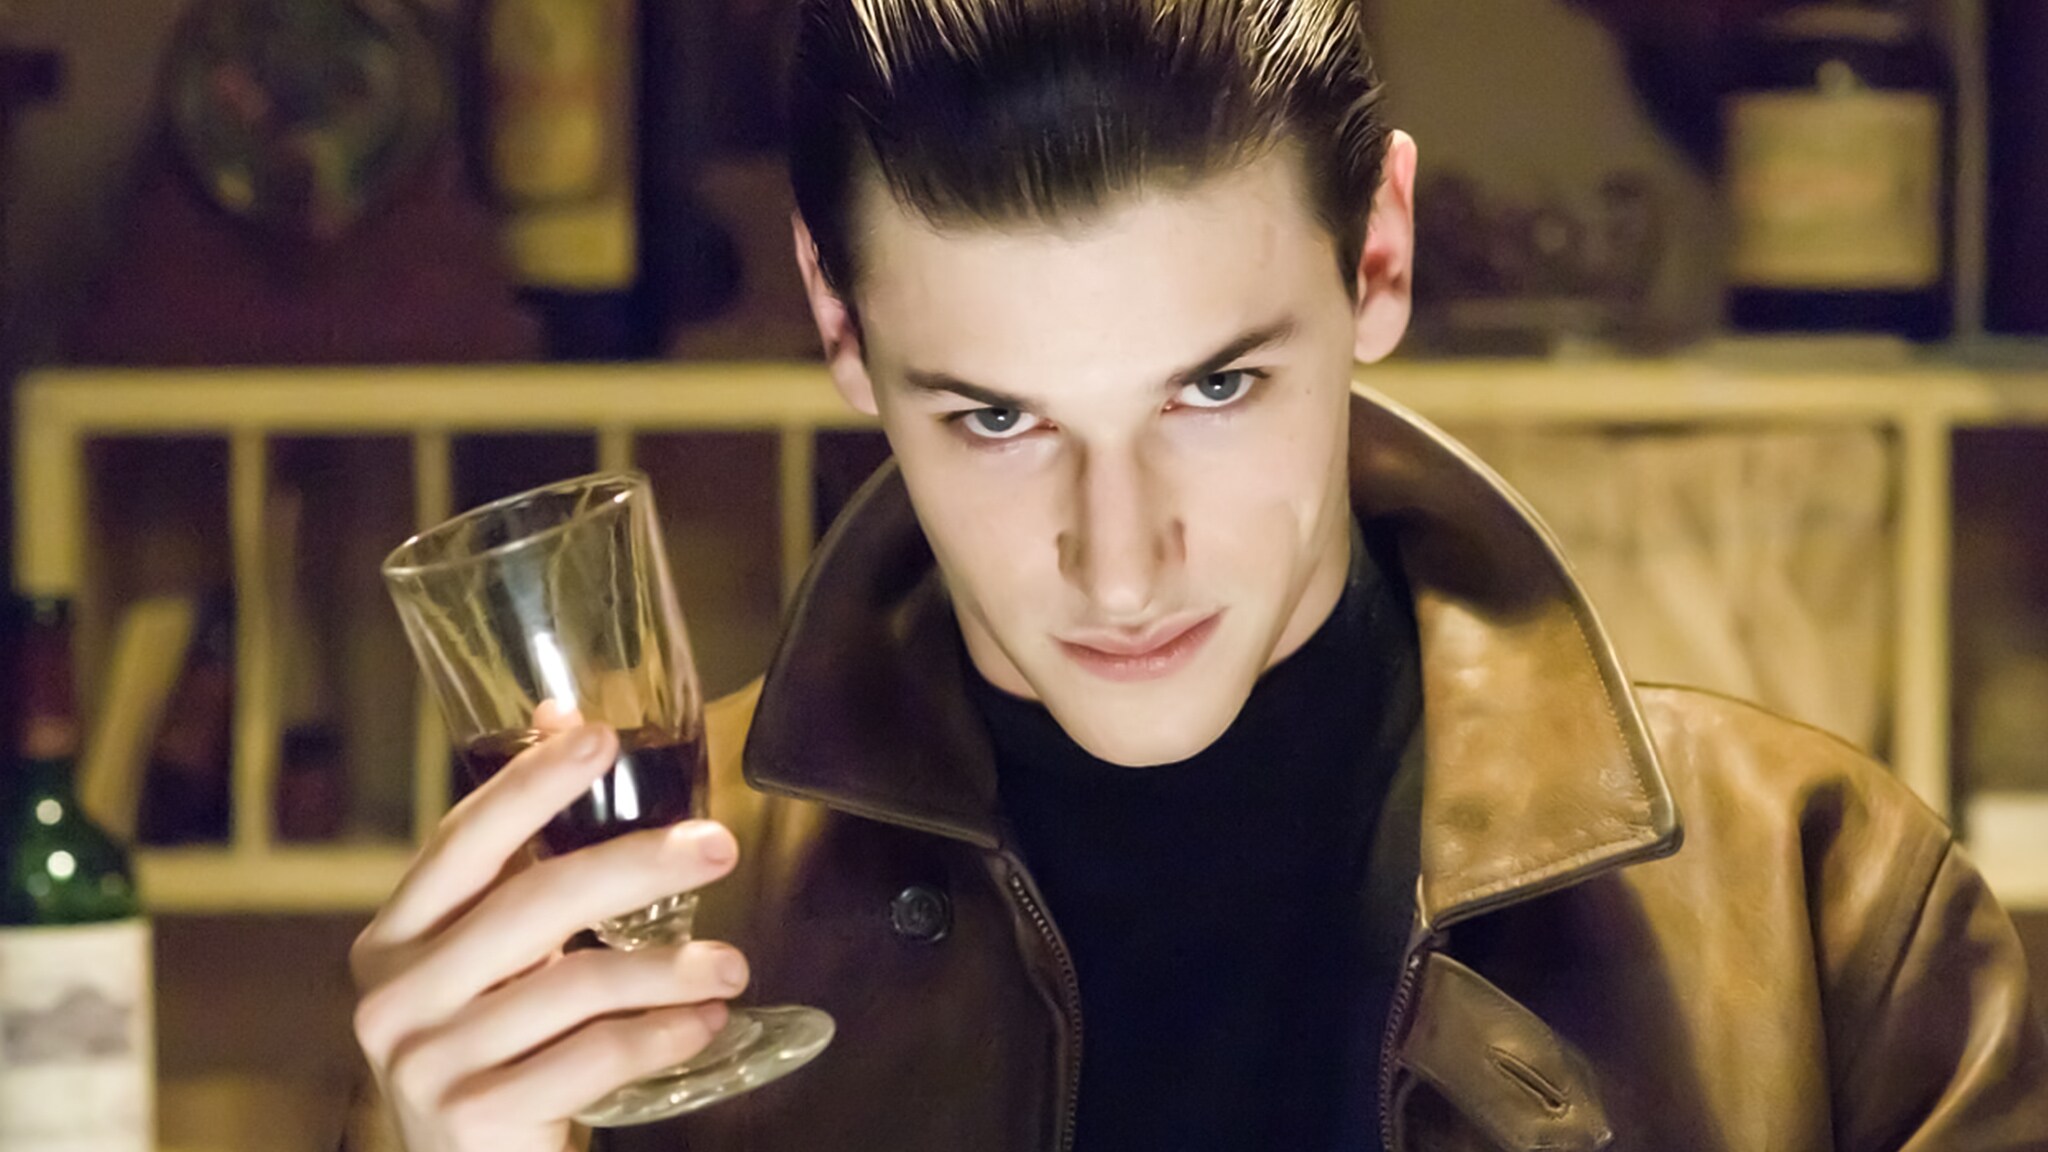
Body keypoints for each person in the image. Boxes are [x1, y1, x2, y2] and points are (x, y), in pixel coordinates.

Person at [346, 0, 2048, 1147]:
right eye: (998, 417)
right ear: (838, 325)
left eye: (1214, 390)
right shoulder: (617, 962)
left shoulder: (1827, 907)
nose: (1118, 563)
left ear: (1377, 258)